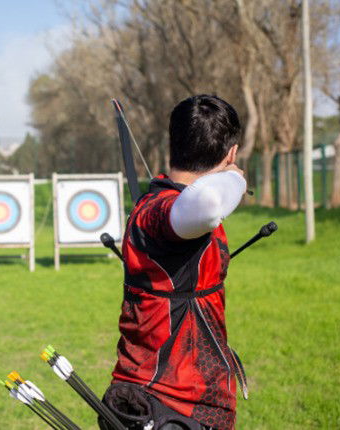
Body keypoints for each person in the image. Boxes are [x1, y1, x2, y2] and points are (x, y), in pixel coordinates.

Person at [100, 95, 248, 430]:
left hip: (182, 399)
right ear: (231, 153)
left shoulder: (167, 208)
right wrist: (236, 177)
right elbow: (209, 203)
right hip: (171, 405)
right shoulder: (159, 211)